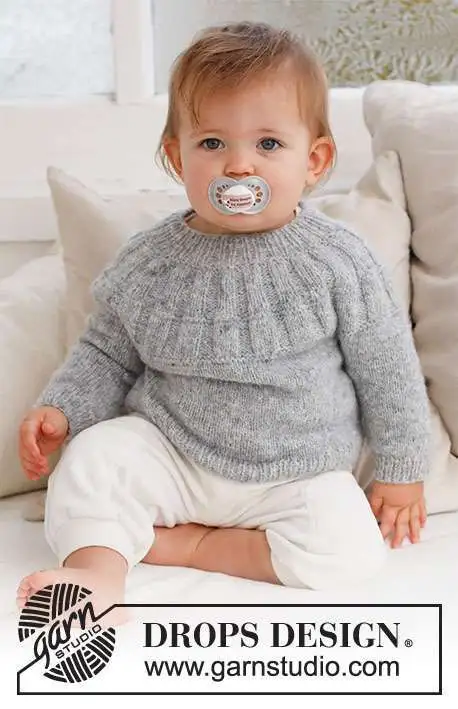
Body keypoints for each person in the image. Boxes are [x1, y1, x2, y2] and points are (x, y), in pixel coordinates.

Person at [17, 22, 430, 615]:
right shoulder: (149, 261)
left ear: (314, 160)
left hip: (295, 473)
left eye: (268, 145)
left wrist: (401, 468)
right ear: (176, 157)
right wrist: (63, 410)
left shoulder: (339, 261)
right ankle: (94, 576)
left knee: (351, 547)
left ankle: (192, 548)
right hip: (173, 454)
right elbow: (105, 353)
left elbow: (388, 370)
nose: (239, 167)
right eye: (212, 143)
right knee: (93, 460)